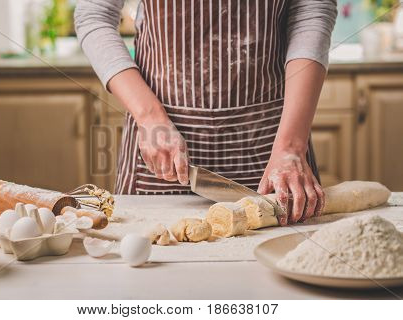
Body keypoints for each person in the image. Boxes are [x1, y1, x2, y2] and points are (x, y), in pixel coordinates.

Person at [75, 0, 338, 225]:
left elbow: (312, 10)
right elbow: (94, 14)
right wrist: (149, 116)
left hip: (274, 148)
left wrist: (290, 146)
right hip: (160, 150)